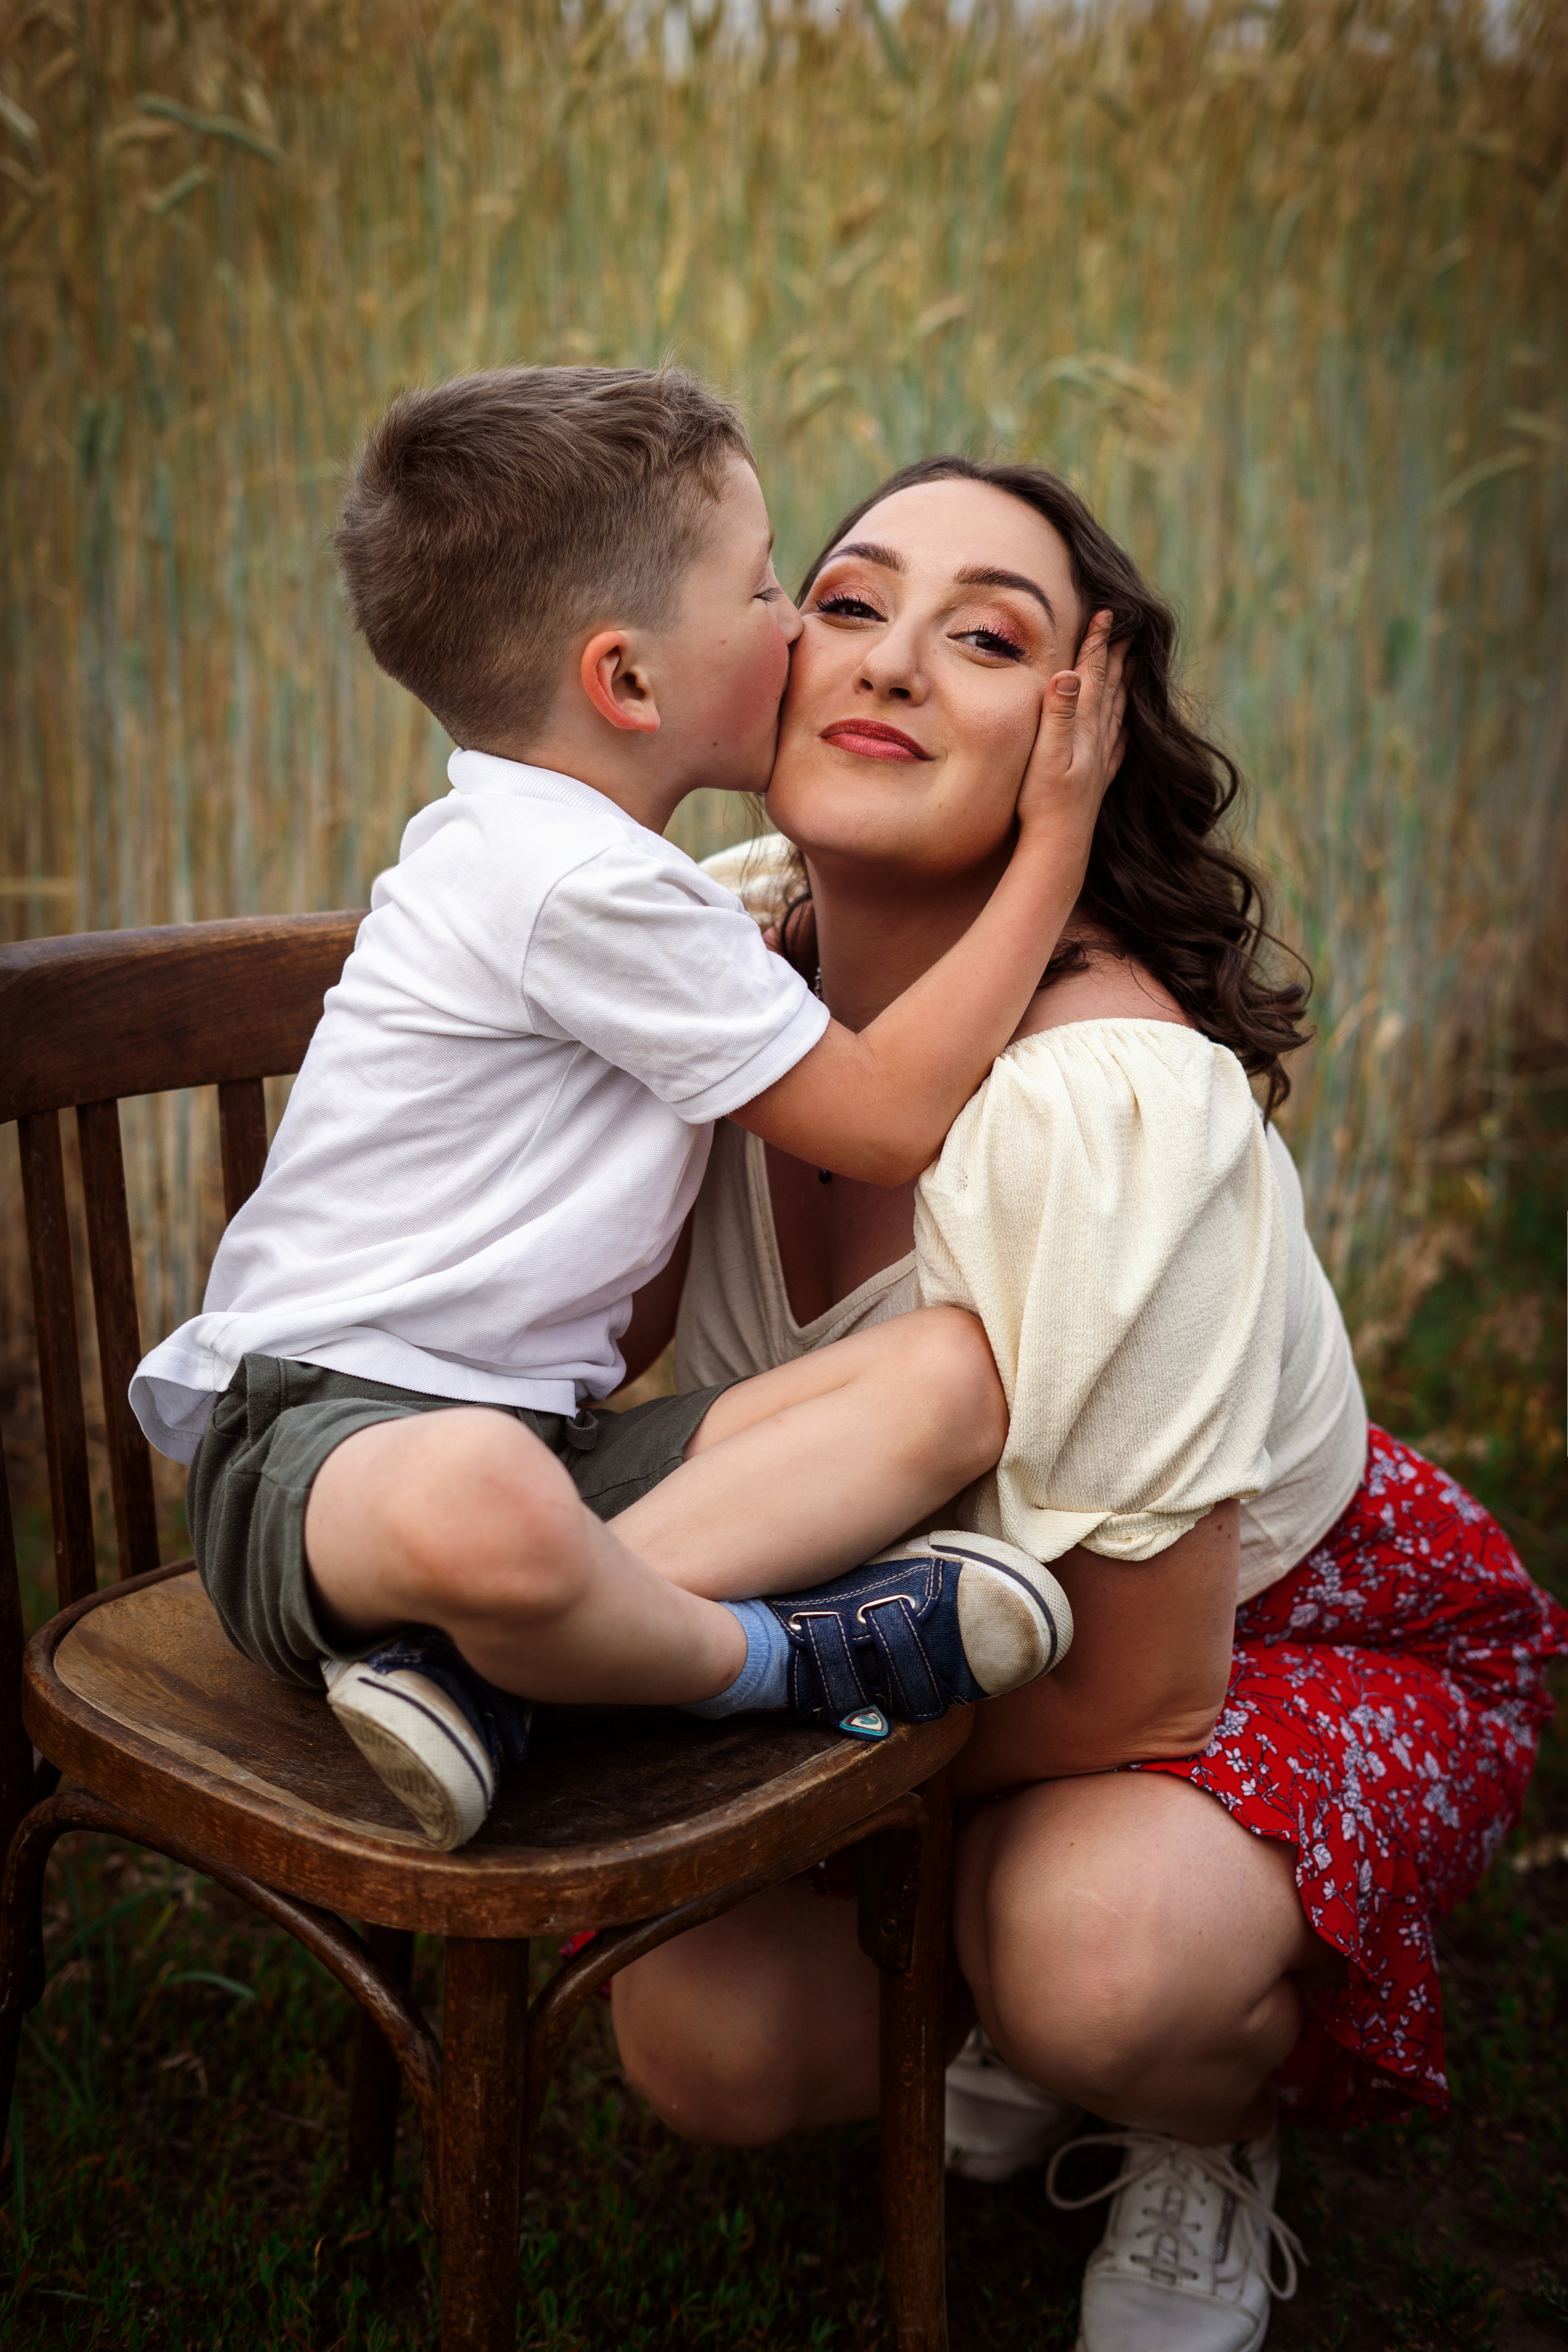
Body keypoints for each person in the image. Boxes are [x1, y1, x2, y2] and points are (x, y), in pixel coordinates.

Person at [608, 456, 1568, 2352]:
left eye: (988, 638)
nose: (889, 664)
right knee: (701, 2042)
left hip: (1257, 1629)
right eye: (854, 602)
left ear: (1083, 747)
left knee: (1105, 1966)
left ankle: (1194, 2097)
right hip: (909, 1627)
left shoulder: (1109, 1096)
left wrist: (713, 1734)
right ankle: (997, 1989)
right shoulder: (703, 955)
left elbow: (1144, 1685)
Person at [128, 371, 1126, 1853]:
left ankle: (487, 1679)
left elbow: (638, 1317)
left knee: (949, 1379)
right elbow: (883, 1118)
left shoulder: (622, 882)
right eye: (771, 589)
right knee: (474, 1487)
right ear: (631, 684)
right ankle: (773, 1660)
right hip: (324, 1453)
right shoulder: (571, 881)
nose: (800, 630)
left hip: (542, 1454)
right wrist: (1055, 838)